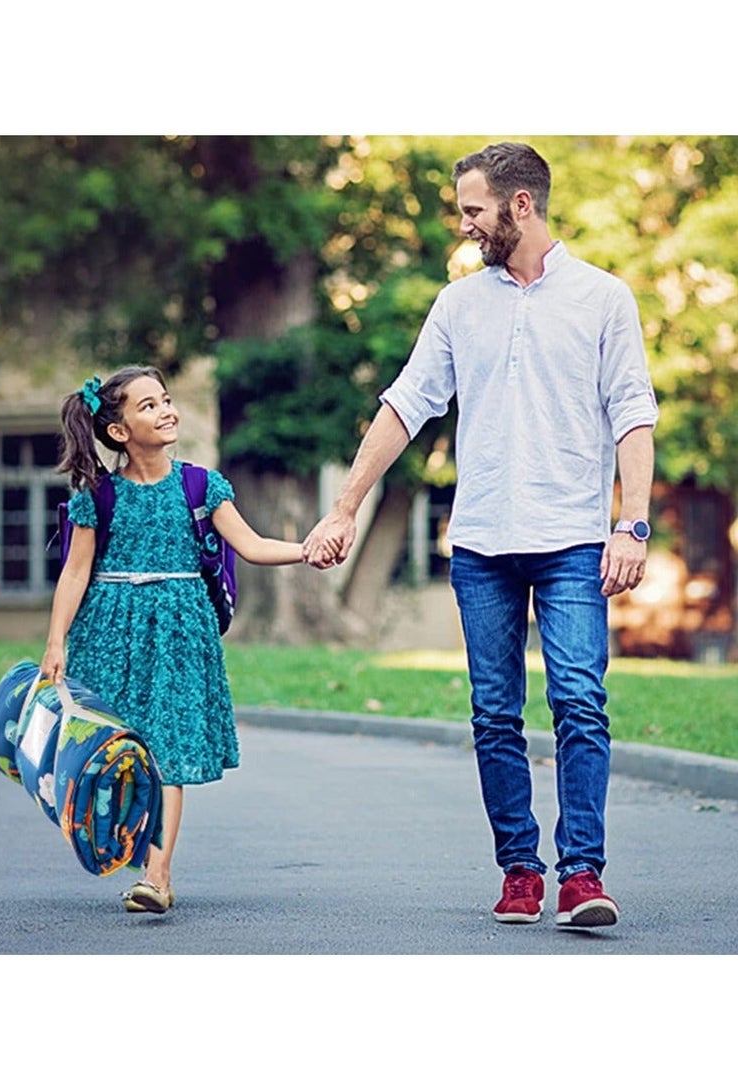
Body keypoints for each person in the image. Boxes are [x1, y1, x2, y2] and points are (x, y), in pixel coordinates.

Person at [304, 142, 658, 928]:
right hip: (482, 542)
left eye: (474, 209)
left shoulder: (603, 297)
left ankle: (583, 872)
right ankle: (520, 870)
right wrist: (347, 505)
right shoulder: (458, 305)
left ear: (520, 206)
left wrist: (630, 521)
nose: (464, 223)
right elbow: (405, 405)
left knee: (579, 701)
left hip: (572, 537)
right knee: (495, 713)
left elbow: (634, 412)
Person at [41, 365, 322, 914]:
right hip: (109, 632)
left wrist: (306, 550)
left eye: (166, 400)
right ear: (118, 431)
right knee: (120, 751)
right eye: (148, 405)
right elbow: (75, 573)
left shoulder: (199, 485)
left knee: (166, 748)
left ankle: (158, 875)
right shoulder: (97, 497)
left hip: (180, 633)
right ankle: (124, 842)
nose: (165, 410)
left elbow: (253, 544)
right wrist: (56, 642)